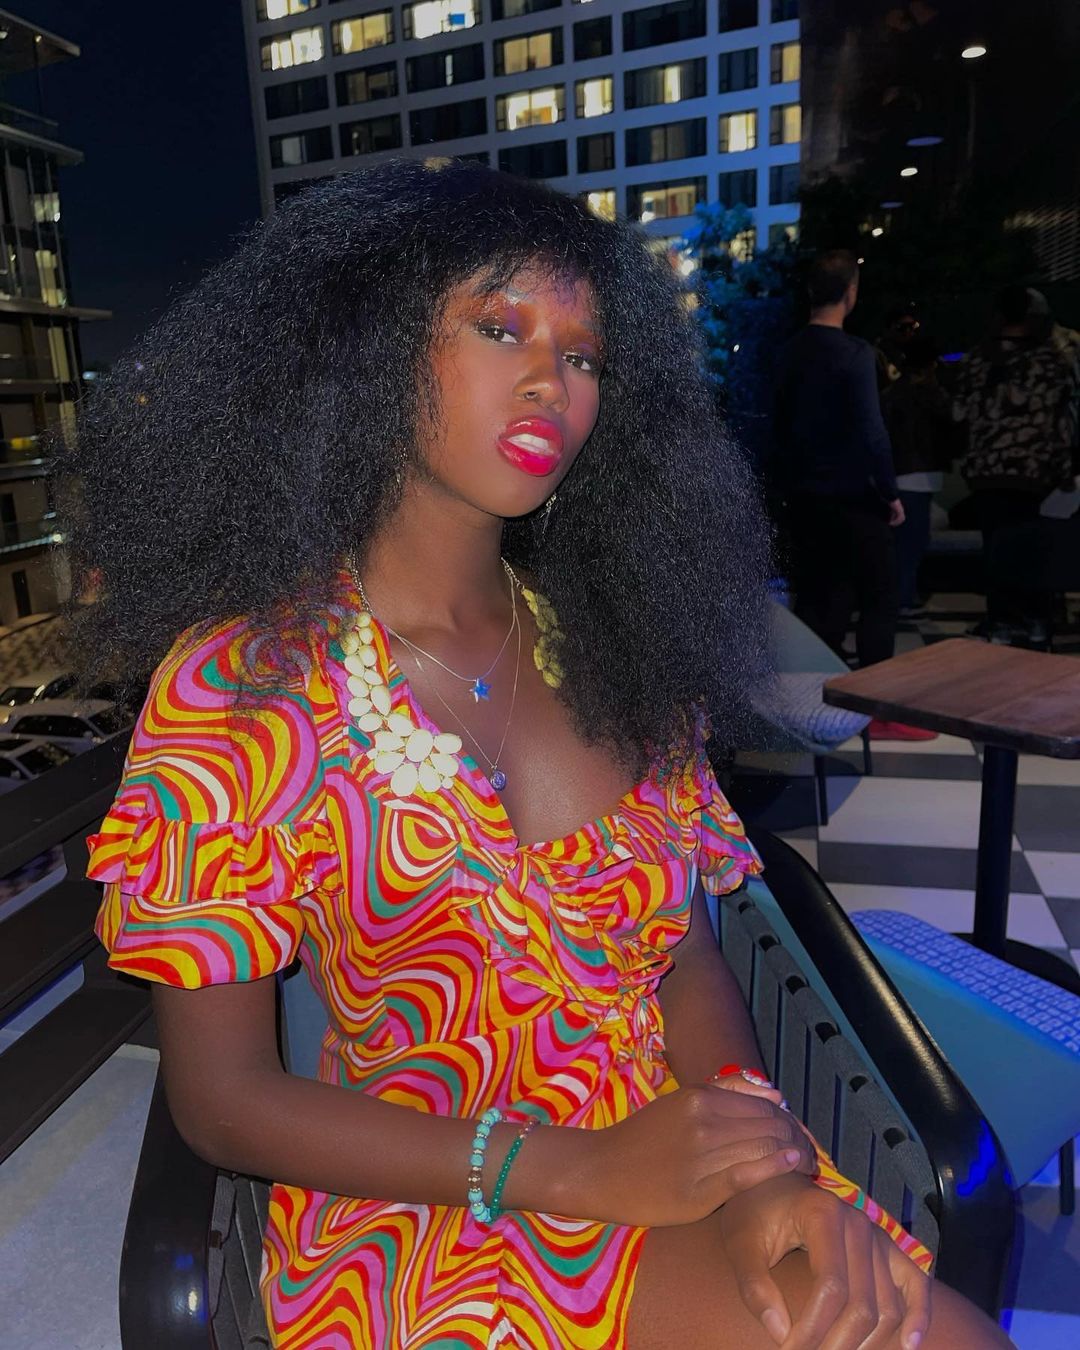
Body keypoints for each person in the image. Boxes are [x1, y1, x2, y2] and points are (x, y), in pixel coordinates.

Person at [68, 162, 1006, 1349]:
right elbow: (223, 1102)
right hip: (431, 1202)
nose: (551, 381)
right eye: (500, 326)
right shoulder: (243, 686)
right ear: (374, 349)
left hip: (685, 1148)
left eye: (585, 355)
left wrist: (756, 1167)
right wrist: (576, 1170)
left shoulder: (618, 642)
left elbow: (686, 959)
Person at [772, 250, 934, 742]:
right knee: (880, 595)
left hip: (804, 498)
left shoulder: (787, 352)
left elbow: (775, 430)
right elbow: (871, 431)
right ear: (851, 292)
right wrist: (890, 493)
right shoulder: (855, 353)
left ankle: (811, 704)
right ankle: (876, 710)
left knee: (822, 599)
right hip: (853, 496)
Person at [955, 285, 1079, 643]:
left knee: (995, 547)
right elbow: (1062, 419)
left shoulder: (976, 359)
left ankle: (1001, 620)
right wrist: (1065, 468)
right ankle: (1034, 621)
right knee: (1033, 550)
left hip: (986, 471)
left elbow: (958, 413)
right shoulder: (1051, 360)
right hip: (1034, 473)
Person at [881, 336, 960, 614]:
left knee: (904, 542)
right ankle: (903, 597)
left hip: (899, 472)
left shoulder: (892, 394)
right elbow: (951, 421)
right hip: (920, 474)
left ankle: (900, 595)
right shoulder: (930, 395)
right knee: (912, 542)